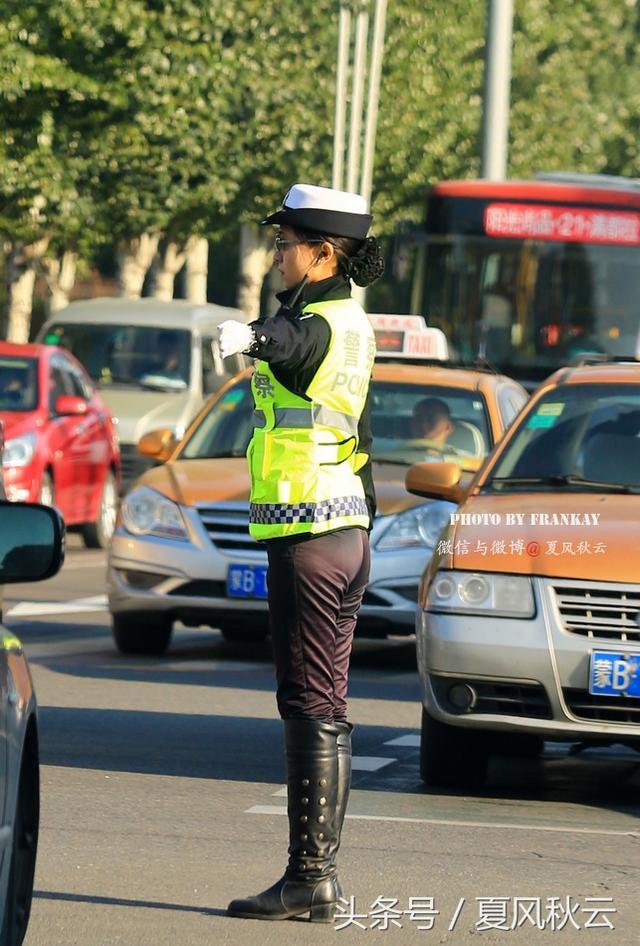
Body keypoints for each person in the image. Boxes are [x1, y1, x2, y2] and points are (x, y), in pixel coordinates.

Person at [217, 183, 384, 923]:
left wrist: (252, 337)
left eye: (287, 242)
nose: (276, 252)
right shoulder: (350, 320)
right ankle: (312, 877)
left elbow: (288, 345)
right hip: (341, 529)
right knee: (322, 701)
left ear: (323, 253)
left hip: (311, 535)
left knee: (309, 702)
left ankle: (310, 878)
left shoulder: (315, 322)